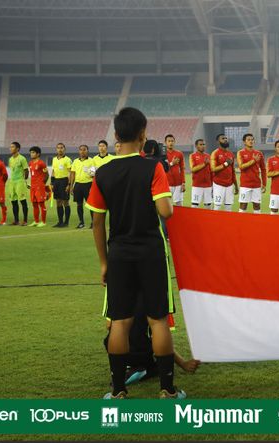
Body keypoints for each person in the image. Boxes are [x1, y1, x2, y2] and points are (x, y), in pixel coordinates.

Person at [86, 106, 186, 400]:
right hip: (151, 253)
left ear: (116, 136)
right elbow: (165, 211)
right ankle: (167, 389)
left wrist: (104, 262)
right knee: (157, 320)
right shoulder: (153, 167)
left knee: (121, 321)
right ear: (143, 135)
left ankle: (118, 391)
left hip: (118, 254)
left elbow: (97, 222)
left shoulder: (103, 172)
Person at [236, 133, 266, 214]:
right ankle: (241, 225)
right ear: (244, 142)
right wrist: (254, 161)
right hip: (245, 185)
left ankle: (257, 224)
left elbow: (263, 169)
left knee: (257, 206)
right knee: (243, 206)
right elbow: (241, 167)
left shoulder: (259, 153)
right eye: (248, 140)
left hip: (256, 184)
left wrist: (264, 183)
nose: (251, 141)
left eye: (252, 139)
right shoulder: (240, 153)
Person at [69, 144, 96, 229]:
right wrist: (71, 186)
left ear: (87, 151)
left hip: (88, 184)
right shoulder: (75, 161)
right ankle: (81, 222)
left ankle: (93, 222)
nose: (82, 151)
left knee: (91, 205)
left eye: (84, 149)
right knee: (79, 204)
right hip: (78, 185)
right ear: (79, 151)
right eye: (81, 149)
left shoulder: (91, 161)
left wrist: (89, 171)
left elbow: (93, 175)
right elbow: (72, 174)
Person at [210, 133, 238, 211]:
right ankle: (214, 222)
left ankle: (227, 223)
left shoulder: (231, 154)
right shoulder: (215, 153)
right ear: (218, 141)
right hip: (218, 185)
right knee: (217, 207)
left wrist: (236, 185)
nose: (225, 139)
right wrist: (225, 164)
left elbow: (233, 171)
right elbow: (213, 169)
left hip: (229, 185)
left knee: (228, 208)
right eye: (223, 138)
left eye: (226, 138)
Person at [7, 142, 29, 226]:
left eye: (12, 147)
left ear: (17, 149)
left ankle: (25, 220)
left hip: (20, 182)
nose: (11, 148)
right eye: (10, 147)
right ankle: (16, 220)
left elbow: (26, 170)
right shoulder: (10, 159)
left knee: (23, 201)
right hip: (12, 182)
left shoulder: (22, 158)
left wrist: (24, 180)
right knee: (13, 202)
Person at [51, 142, 72, 228]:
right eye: (58, 148)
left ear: (64, 149)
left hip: (64, 181)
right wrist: (52, 183)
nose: (60, 149)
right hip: (56, 182)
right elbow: (53, 171)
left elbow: (71, 173)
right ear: (56, 149)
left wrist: (69, 184)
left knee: (65, 202)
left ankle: (66, 222)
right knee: (58, 202)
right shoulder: (54, 159)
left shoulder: (67, 159)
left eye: (62, 148)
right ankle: (60, 222)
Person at [28, 146, 49, 228]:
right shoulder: (30, 163)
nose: (31, 154)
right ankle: (36, 221)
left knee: (41, 203)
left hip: (39, 186)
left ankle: (43, 222)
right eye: (31, 152)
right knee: (34, 204)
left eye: (33, 152)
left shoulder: (41, 163)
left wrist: (42, 184)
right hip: (32, 186)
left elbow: (47, 175)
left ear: (38, 154)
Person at [189, 139, 212, 209]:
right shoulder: (192, 156)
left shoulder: (208, 156)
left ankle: (208, 220)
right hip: (197, 185)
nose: (203, 146)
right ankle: (194, 220)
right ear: (196, 146)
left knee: (208, 206)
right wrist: (204, 164)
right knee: (195, 206)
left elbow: (211, 171)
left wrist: (212, 184)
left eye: (204, 144)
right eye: (201, 144)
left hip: (208, 186)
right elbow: (193, 169)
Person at [165, 134, 185, 206]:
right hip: (167, 183)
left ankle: (180, 217)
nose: (171, 143)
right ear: (165, 142)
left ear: (174, 142)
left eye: (172, 141)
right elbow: (162, 167)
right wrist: (172, 163)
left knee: (179, 204)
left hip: (178, 183)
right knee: (167, 205)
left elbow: (182, 168)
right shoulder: (162, 154)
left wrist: (183, 183)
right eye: (169, 141)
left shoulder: (179, 154)